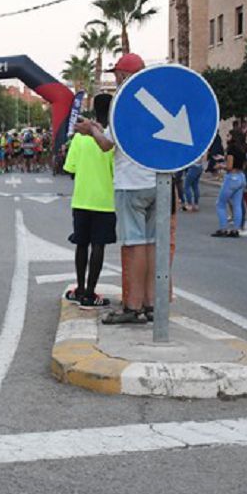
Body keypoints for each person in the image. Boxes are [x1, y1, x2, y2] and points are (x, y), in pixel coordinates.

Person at [74, 53, 155, 324]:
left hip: (131, 182)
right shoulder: (153, 97)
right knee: (152, 244)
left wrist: (90, 131)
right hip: (157, 181)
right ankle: (151, 302)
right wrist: (99, 128)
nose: (115, 79)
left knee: (134, 245)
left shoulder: (124, 101)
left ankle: (133, 307)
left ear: (122, 75)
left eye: (116, 74)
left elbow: (108, 144)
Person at [63, 93, 116, 309]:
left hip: (81, 199)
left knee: (81, 244)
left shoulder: (80, 137)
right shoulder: (111, 137)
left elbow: (70, 169)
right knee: (98, 246)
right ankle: (91, 293)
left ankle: (80, 288)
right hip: (105, 200)